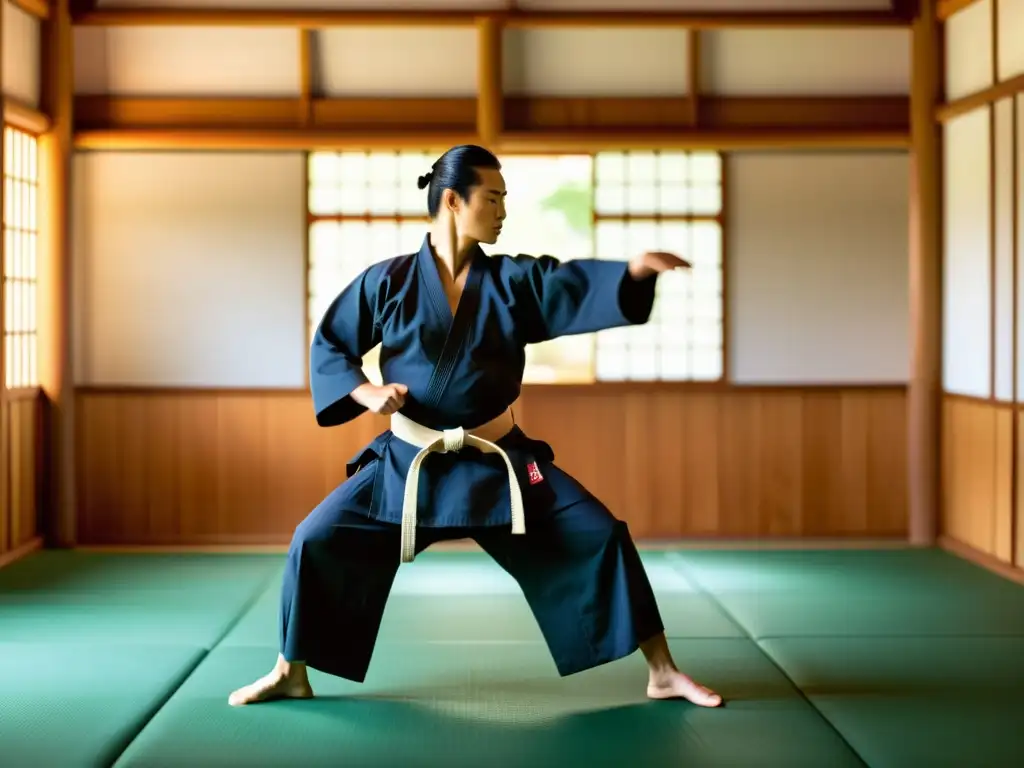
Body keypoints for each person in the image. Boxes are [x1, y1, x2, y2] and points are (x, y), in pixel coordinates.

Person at [228, 145, 722, 709]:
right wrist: (367, 392)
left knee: (599, 533)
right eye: (493, 199)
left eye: (505, 199)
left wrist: (630, 276)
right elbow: (333, 344)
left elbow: (566, 287)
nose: (503, 211)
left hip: (500, 463)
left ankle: (661, 670)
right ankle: (290, 670)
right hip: (407, 464)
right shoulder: (387, 281)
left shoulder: (513, 281)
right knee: (315, 539)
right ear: (452, 201)